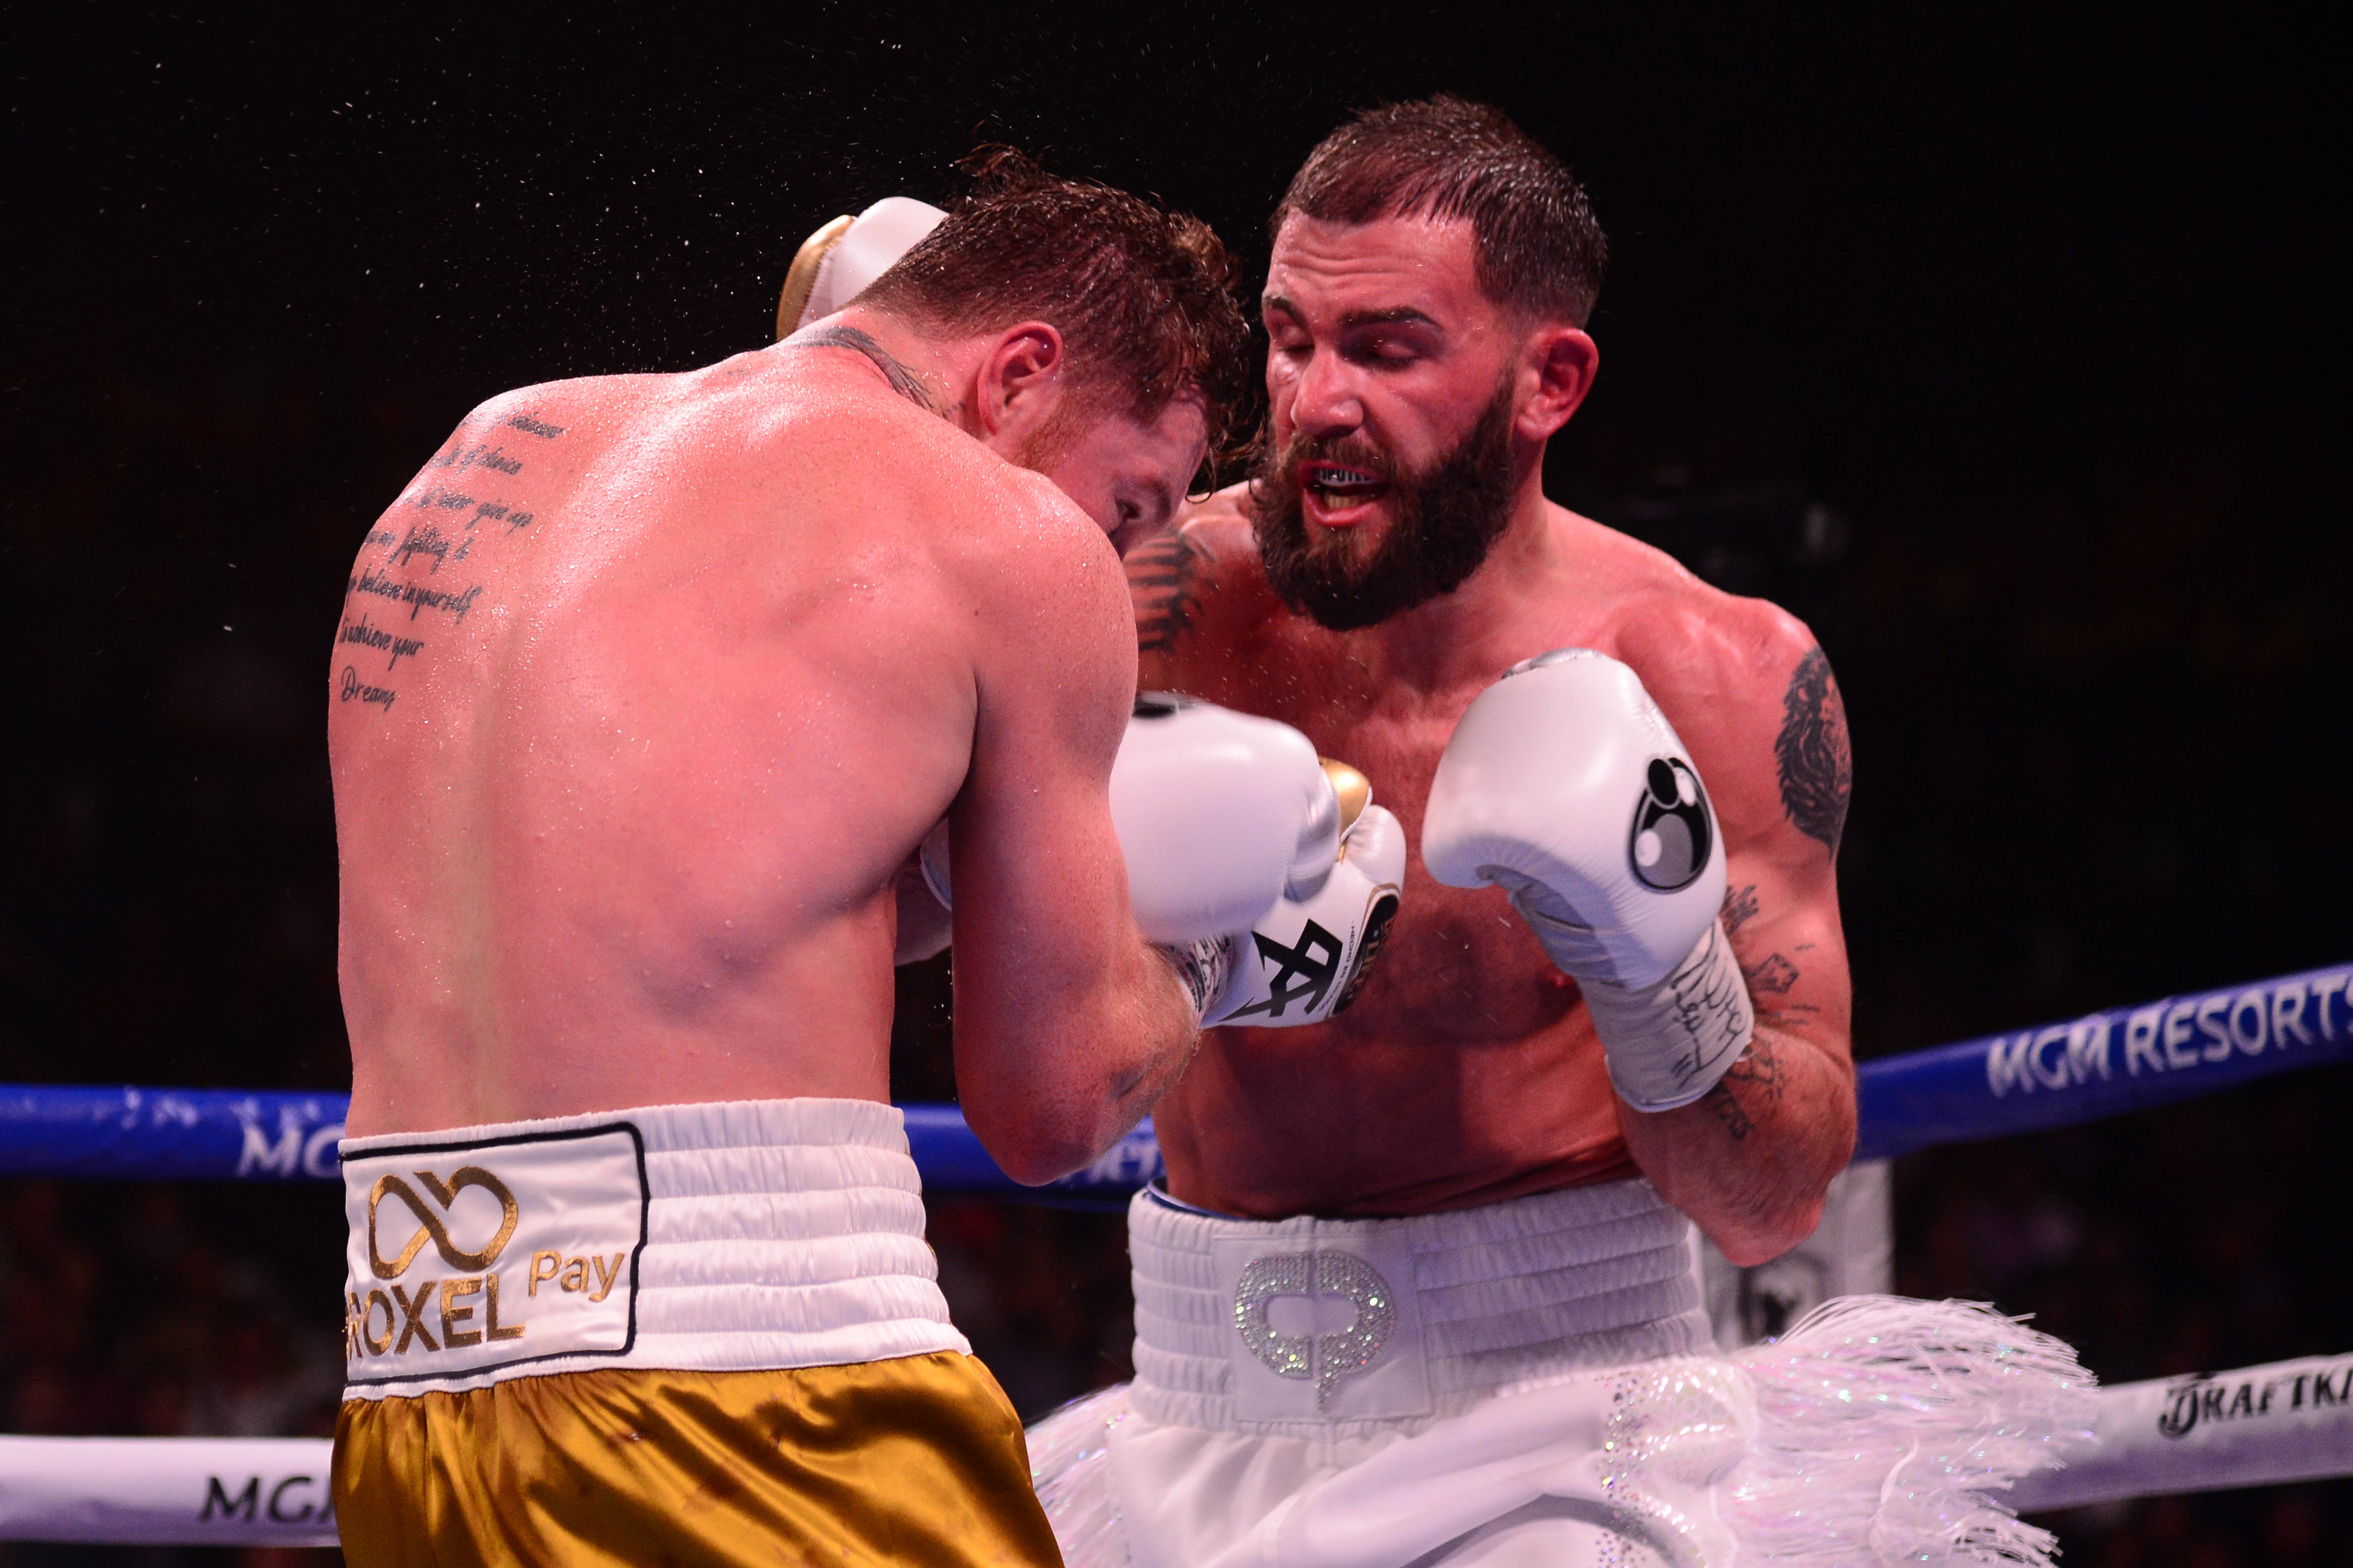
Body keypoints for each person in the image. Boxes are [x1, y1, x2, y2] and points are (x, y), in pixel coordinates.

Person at [1011, 99, 2089, 1567]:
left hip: (1565, 1426)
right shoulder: (1151, 611)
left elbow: (1772, 1201)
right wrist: (1177, 971)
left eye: (1386, 348)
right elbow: (975, 1015)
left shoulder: (1714, 673)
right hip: (1188, 1412)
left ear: (1549, 380)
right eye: (1289, 336)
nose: (1316, 399)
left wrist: (1660, 976)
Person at [326, 151, 1307, 1567]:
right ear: (1020, 371)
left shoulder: (479, 462)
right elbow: (1048, 1106)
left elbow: (689, 890)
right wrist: (1231, 952)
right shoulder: (1011, 542)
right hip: (756, 1397)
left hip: (413, 1401)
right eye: (1135, 500)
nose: (1127, 555)